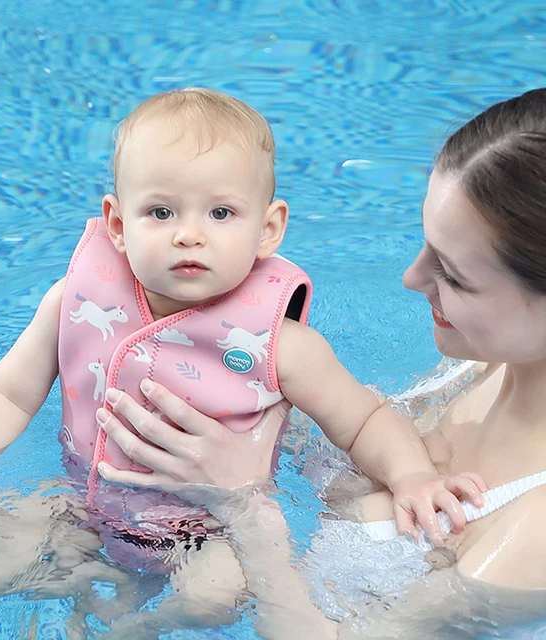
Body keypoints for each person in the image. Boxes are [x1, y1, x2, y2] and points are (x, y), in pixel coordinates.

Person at [0, 87, 483, 637]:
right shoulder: (74, 299)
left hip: (208, 529)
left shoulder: (280, 345)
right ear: (117, 224)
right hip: (80, 501)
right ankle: (90, 574)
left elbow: (363, 419)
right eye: (161, 211)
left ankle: (137, 623)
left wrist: (412, 475)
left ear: (268, 229)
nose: (189, 234)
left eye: (220, 212)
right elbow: (8, 393)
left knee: (213, 598)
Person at [93, 87, 546, 638]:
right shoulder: (486, 363)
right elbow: (347, 430)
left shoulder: (533, 531)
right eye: (424, 244)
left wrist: (243, 504)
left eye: (452, 274)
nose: (411, 279)